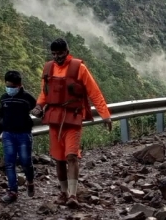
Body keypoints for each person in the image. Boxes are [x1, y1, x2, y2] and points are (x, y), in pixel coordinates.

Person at [33, 38, 112, 208]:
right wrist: (39, 106)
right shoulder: (48, 68)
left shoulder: (79, 68)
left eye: (60, 53)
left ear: (67, 51)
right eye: (54, 54)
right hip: (54, 119)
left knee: (71, 156)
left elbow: (94, 92)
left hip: (73, 117)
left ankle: (73, 195)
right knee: (59, 159)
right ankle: (63, 193)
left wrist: (105, 115)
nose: (57, 57)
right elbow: (44, 94)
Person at [0, 70, 37, 203]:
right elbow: (0, 117)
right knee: (9, 163)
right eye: (7, 86)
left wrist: (40, 112)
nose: (10, 89)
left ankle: (30, 182)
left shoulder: (27, 98)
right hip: (8, 134)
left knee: (25, 161)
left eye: (12, 87)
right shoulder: (4, 98)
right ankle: (13, 191)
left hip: (24, 134)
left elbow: (38, 110)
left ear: (19, 85)